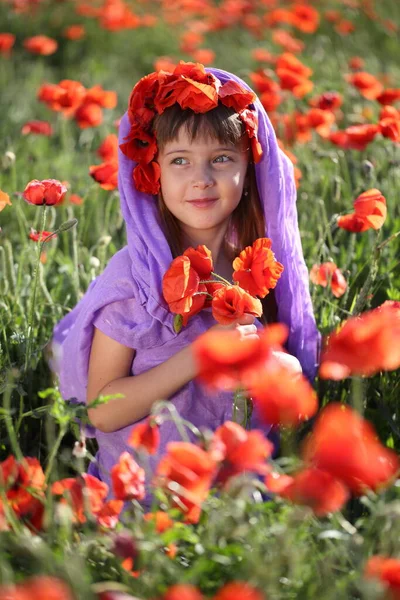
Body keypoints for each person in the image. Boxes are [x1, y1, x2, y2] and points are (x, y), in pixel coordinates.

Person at [50, 62, 320, 509]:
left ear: (248, 172)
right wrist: (198, 357)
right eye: (180, 161)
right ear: (152, 174)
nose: (201, 178)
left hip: (234, 502)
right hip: (146, 507)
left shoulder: (255, 269)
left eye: (221, 159)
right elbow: (102, 408)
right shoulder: (134, 279)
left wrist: (278, 371)